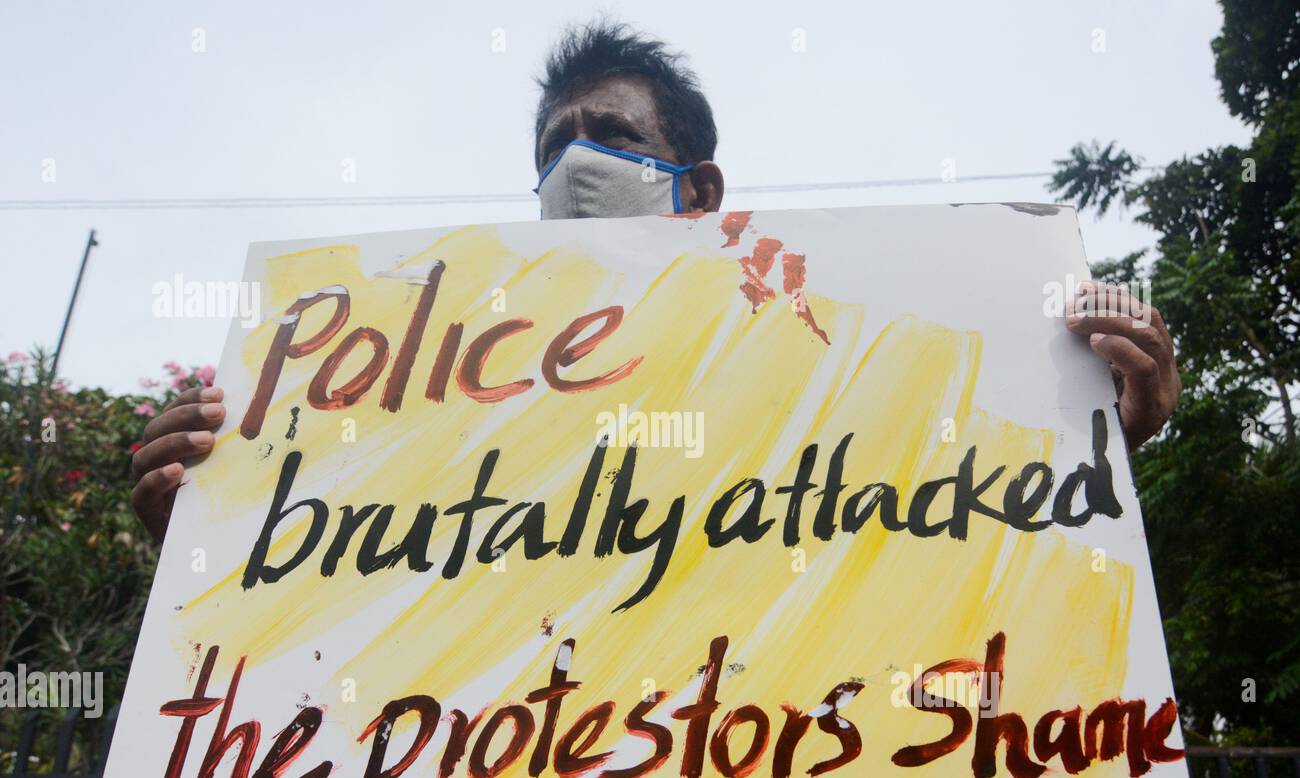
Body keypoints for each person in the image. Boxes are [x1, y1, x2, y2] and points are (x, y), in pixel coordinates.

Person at [131, 20, 1180, 543]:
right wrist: (213, 524)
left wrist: (1096, 440)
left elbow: (941, 501)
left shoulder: (815, 342)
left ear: (698, 183)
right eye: (552, 148)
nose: (570, 169)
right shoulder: (446, 382)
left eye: (608, 137)